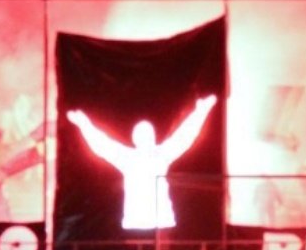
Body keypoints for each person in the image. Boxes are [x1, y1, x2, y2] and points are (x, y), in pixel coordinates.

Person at [66, 95, 218, 230]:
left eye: (147, 133)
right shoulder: (130, 157)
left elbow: (185, 136)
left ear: (153, 136)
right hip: (137, 223)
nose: (145, 137)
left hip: (160, 222)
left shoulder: (159, 154)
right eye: (142, 134)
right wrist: (83, 124)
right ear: (135, 138)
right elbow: (101, 143)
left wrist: (202, 111)